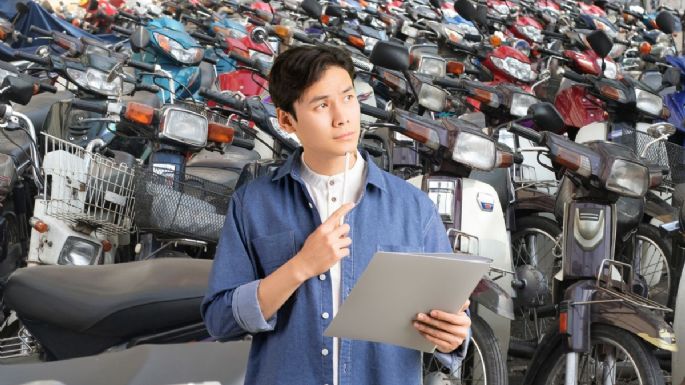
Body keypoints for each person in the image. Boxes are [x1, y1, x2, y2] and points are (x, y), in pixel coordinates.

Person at [201, 44, 471, 385]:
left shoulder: (413, 208)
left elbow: (451, 319)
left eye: (348, 97)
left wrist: (455, 334)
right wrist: (300, 267)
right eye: (321, 105)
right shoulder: (252, 204)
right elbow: (220, 320)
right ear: (286, 120)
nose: (342, 116)